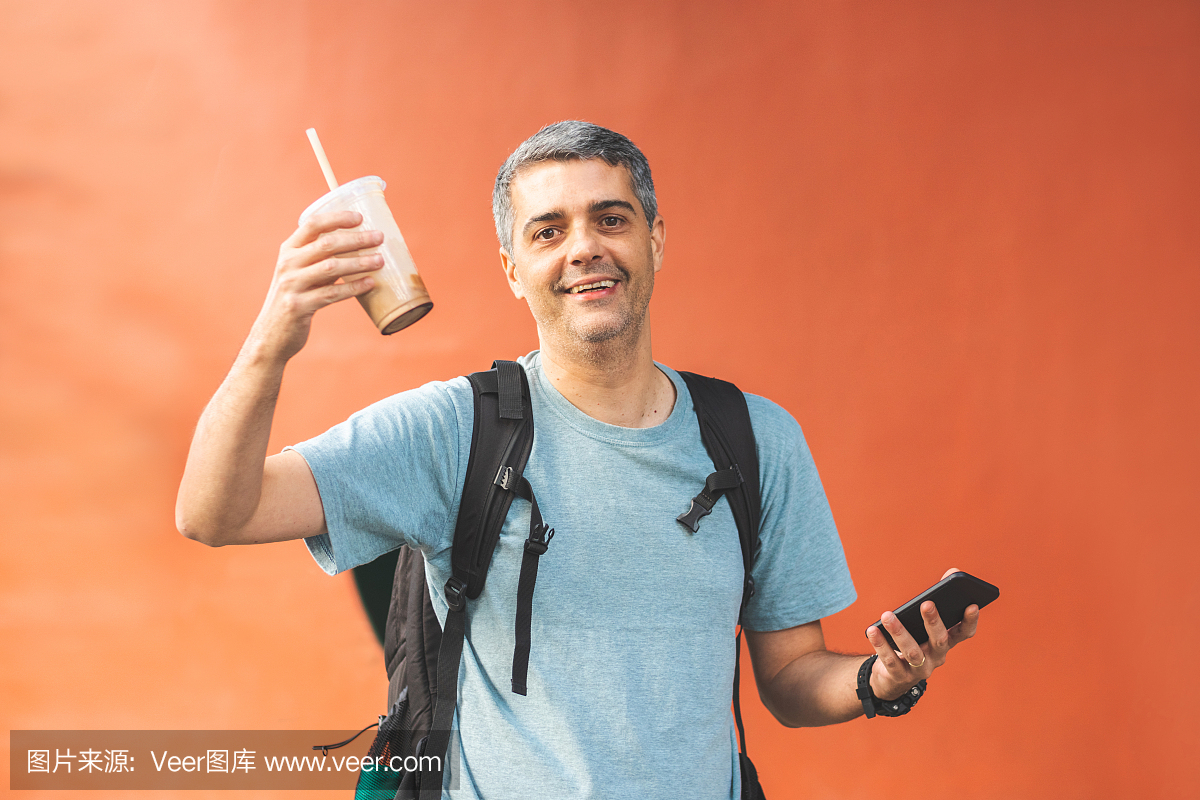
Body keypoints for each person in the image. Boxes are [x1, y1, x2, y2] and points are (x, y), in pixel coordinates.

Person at [176, 121, 981, 799]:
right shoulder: (455, 430)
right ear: (513, 270)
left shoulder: (756, 439)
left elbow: (793, 677)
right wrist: (273, 338)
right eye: (549, 230)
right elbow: (216, 512)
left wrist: (879, 683)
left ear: (655, 239)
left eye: (612, 219)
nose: (585, 248)